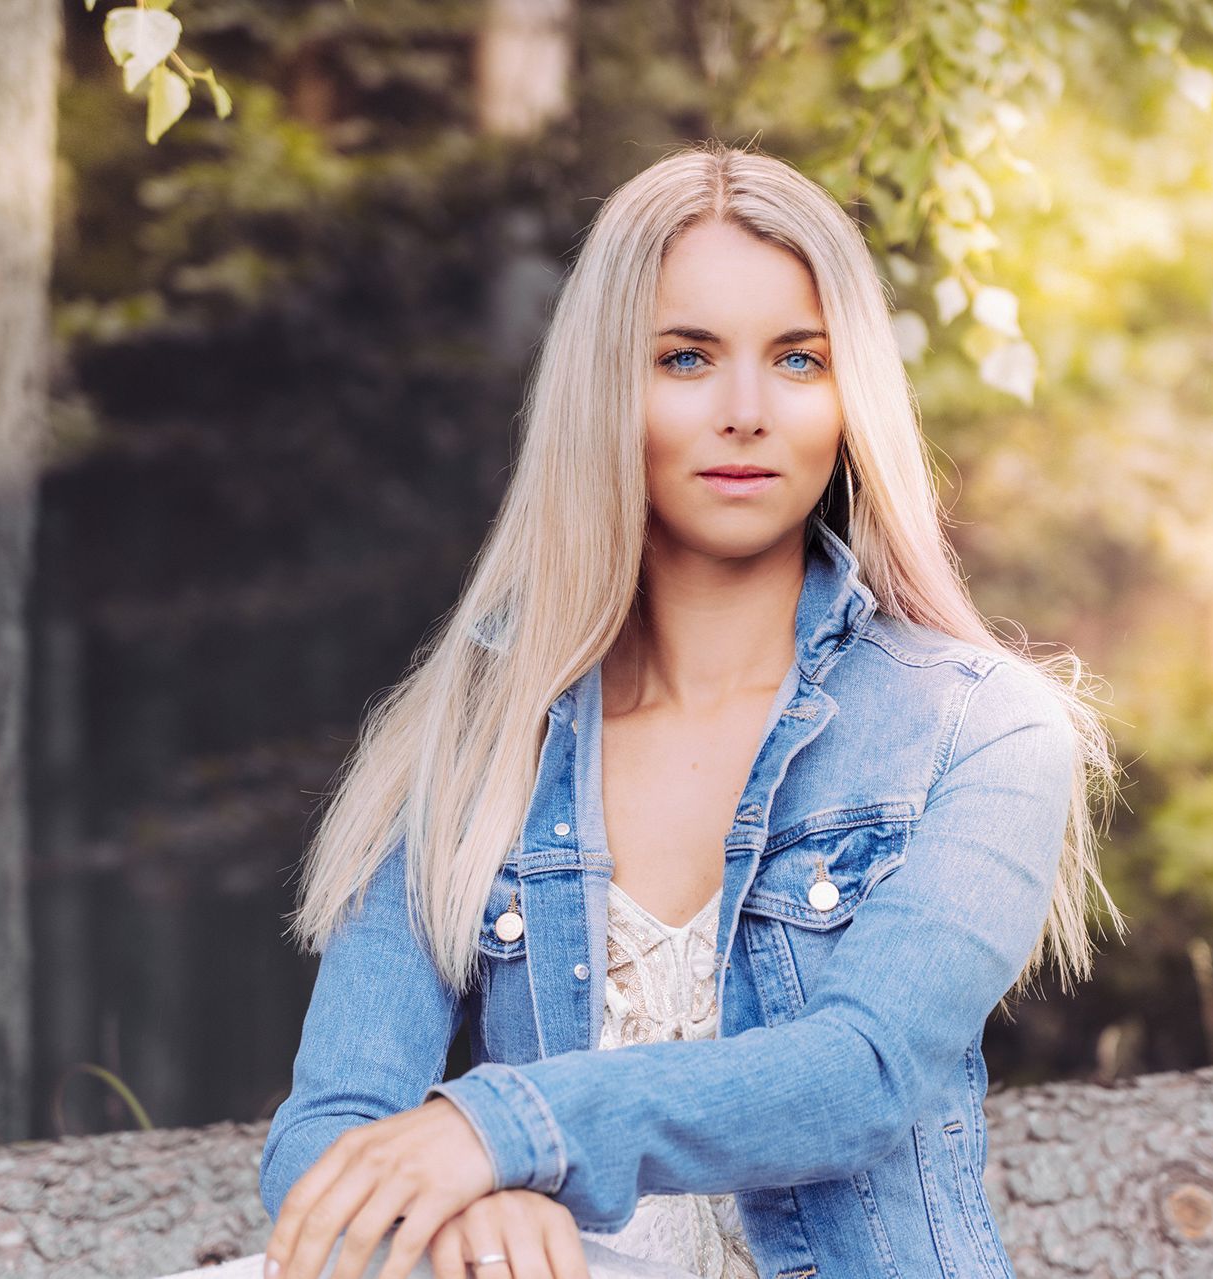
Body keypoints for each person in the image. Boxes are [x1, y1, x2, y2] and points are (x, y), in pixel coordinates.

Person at [257, 140, 1125, 1279]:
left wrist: (504, 1129)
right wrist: (458, 1211)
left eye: (801, 361)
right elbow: (328, 1126)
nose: (748, 411)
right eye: (685, 357)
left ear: (851, 393)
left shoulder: (985, 728)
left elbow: (859, 1074)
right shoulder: (473, 740)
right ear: (606, 387)